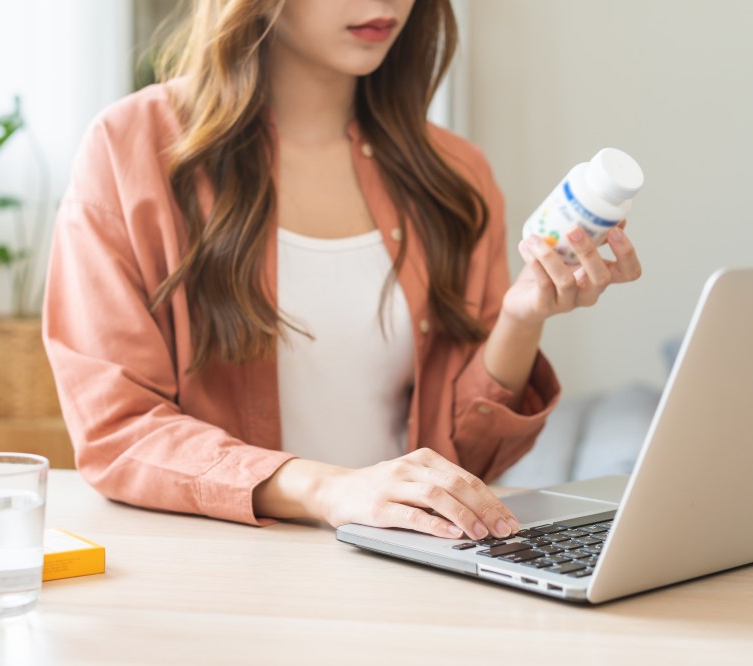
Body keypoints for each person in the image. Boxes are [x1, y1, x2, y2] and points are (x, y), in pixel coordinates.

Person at [42, 0, 642, 541]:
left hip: (405, 570)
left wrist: (521, 316)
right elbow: (117, 429)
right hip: (222, 576)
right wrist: (329, 489)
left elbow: (465, 467)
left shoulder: (455, 177)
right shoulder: (131, 148)